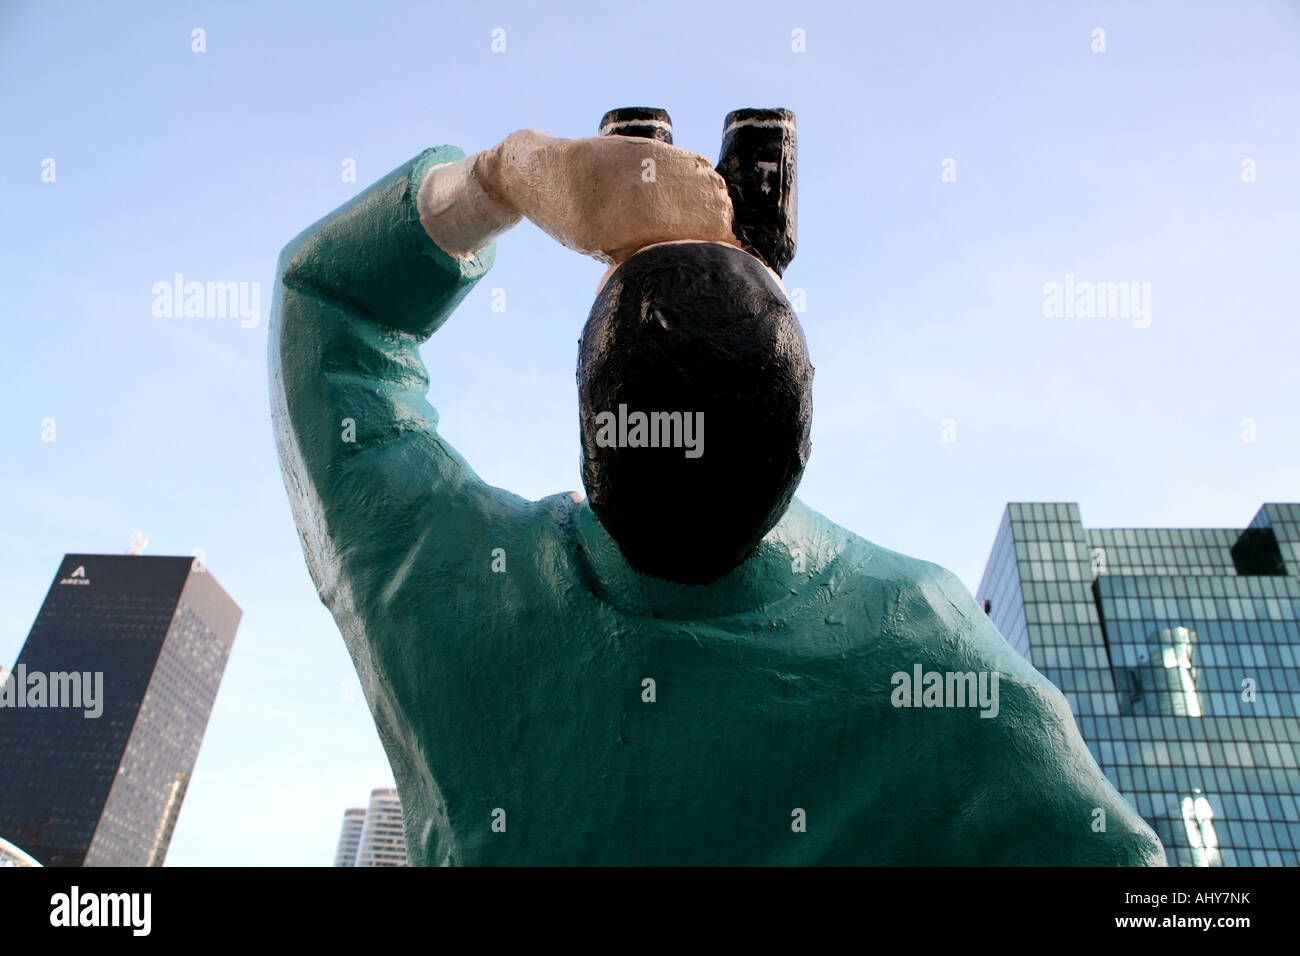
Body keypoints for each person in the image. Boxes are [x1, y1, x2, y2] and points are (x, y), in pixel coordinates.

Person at [269, 128, 1166, 865]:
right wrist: (744, 300)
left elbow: (326, 305)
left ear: (594, 426)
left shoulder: (446, 587)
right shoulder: (940, 661)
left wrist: (507, 176)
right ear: (802, 431)